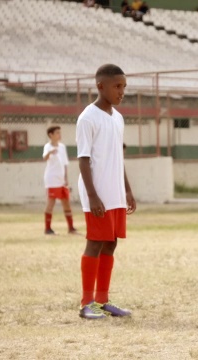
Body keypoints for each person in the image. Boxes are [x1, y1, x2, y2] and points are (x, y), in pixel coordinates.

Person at [76, 64, 137, 320]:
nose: (121, 91)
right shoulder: (87, 117)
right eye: (117, 86)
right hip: (97, 191)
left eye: (124, 86)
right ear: (101, 86)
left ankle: (103, 301)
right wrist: (92, 195)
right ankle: (86, 303)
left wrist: (128, 190)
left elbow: (117, 158)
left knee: (111, 243)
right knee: (95, 242)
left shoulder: (118, 117)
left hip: (115, 192)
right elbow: (83, 159)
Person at [43, 126, 76, 235]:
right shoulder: (48, 146)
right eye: (57, 133)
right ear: (51, 135)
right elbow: (45, 157)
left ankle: (71, 228)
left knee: (66, 203)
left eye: (59, 132)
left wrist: (66, 178)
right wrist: (50, 152)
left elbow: (65, 163)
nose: (59, 135)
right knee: (51, 203)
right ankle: (47, 228)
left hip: (61, 180)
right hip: (52, 179)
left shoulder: (62, 147)